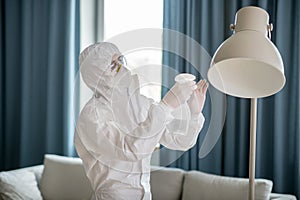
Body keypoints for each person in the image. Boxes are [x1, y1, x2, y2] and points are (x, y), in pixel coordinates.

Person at [74, 42, 209, 200]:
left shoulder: (140, 104)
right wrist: (166, 106)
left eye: (121, 60)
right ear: (97, 75)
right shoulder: (92, 116)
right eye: (112, 64)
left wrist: (194, 114)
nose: (121, 68)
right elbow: (130, 150)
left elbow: (179, 141)